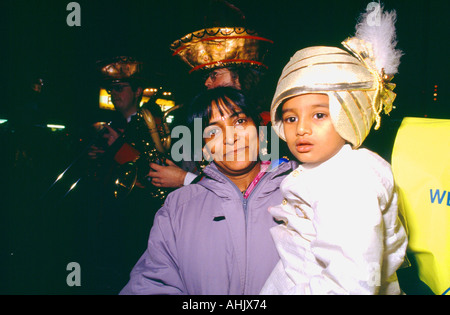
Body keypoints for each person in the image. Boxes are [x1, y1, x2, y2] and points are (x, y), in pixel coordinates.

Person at [260, 6, 408, 295]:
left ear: (349, 113)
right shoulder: (323, 169)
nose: (300, 128)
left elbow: (352, 284)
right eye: (290, 118)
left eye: (319, 115)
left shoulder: (348, 181)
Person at [120, 87, 297, 295]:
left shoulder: (301, 189)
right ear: (204, 148)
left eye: (239, 121)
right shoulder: (178, 207)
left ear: (259, 128)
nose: (230, 138)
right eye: (213, 131)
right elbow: (150, 284)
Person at [146, 26, 274, 188]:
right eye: (207, 77)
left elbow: (257, 186)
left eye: (215, 75)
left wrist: (184, 180)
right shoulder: (202, 121)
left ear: (239, 77)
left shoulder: (267, 123)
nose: (207, 83)